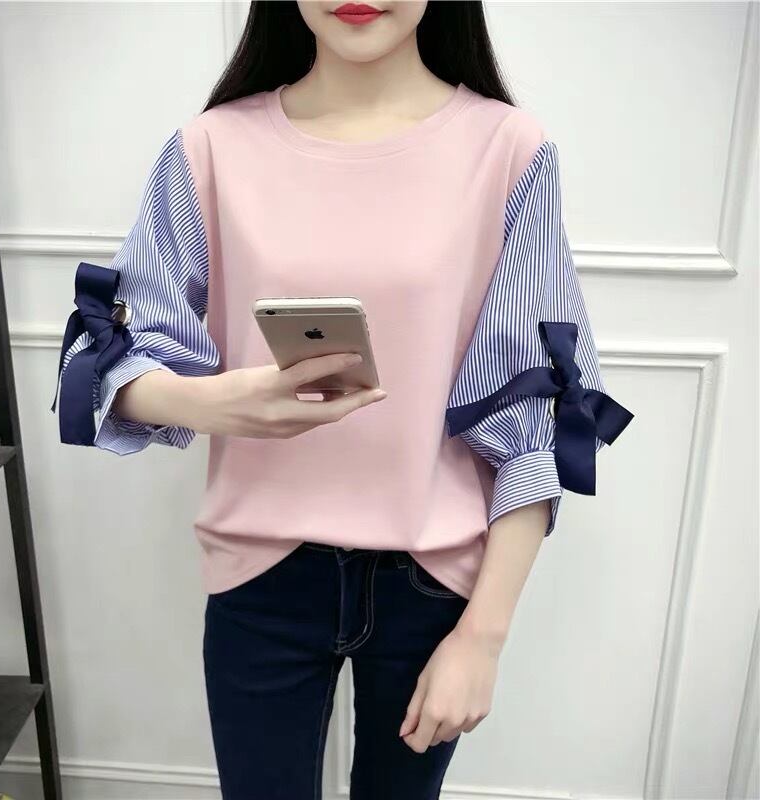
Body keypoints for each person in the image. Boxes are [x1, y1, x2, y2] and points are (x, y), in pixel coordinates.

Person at [50, 2, 634, 798]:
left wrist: (484, 637)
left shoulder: (507, 149)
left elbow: (535, 416)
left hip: (434, 582)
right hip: (260, 576)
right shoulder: (211, 147)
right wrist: (218, 405)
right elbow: (118, 356)